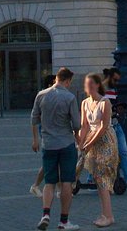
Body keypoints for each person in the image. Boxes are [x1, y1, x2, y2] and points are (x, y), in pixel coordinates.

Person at [31, 67, 81, 231]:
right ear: (67, 81)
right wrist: (79, 140)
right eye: (69, 83)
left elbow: (34, 118)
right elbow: (76, 124)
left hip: (48, 144)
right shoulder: (70, 97)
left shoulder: (41, 94)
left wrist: (35, 140)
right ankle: (64, 222)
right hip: (66, 143)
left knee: (49, 182)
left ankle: (45, 214)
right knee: (66, 182)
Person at [77, 74, 119, 228]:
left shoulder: (105, 102)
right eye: (86, 84)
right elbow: (84, 126)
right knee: (97, 177)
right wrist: (81, 143)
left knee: (102, 177)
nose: (87, 87)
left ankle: (108, 215)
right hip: (92, 140)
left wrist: (88, 143)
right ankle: (106, 213)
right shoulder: (84, 103)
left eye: (90, 84)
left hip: (106, 141)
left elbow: (103, 127)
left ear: (97, 85)